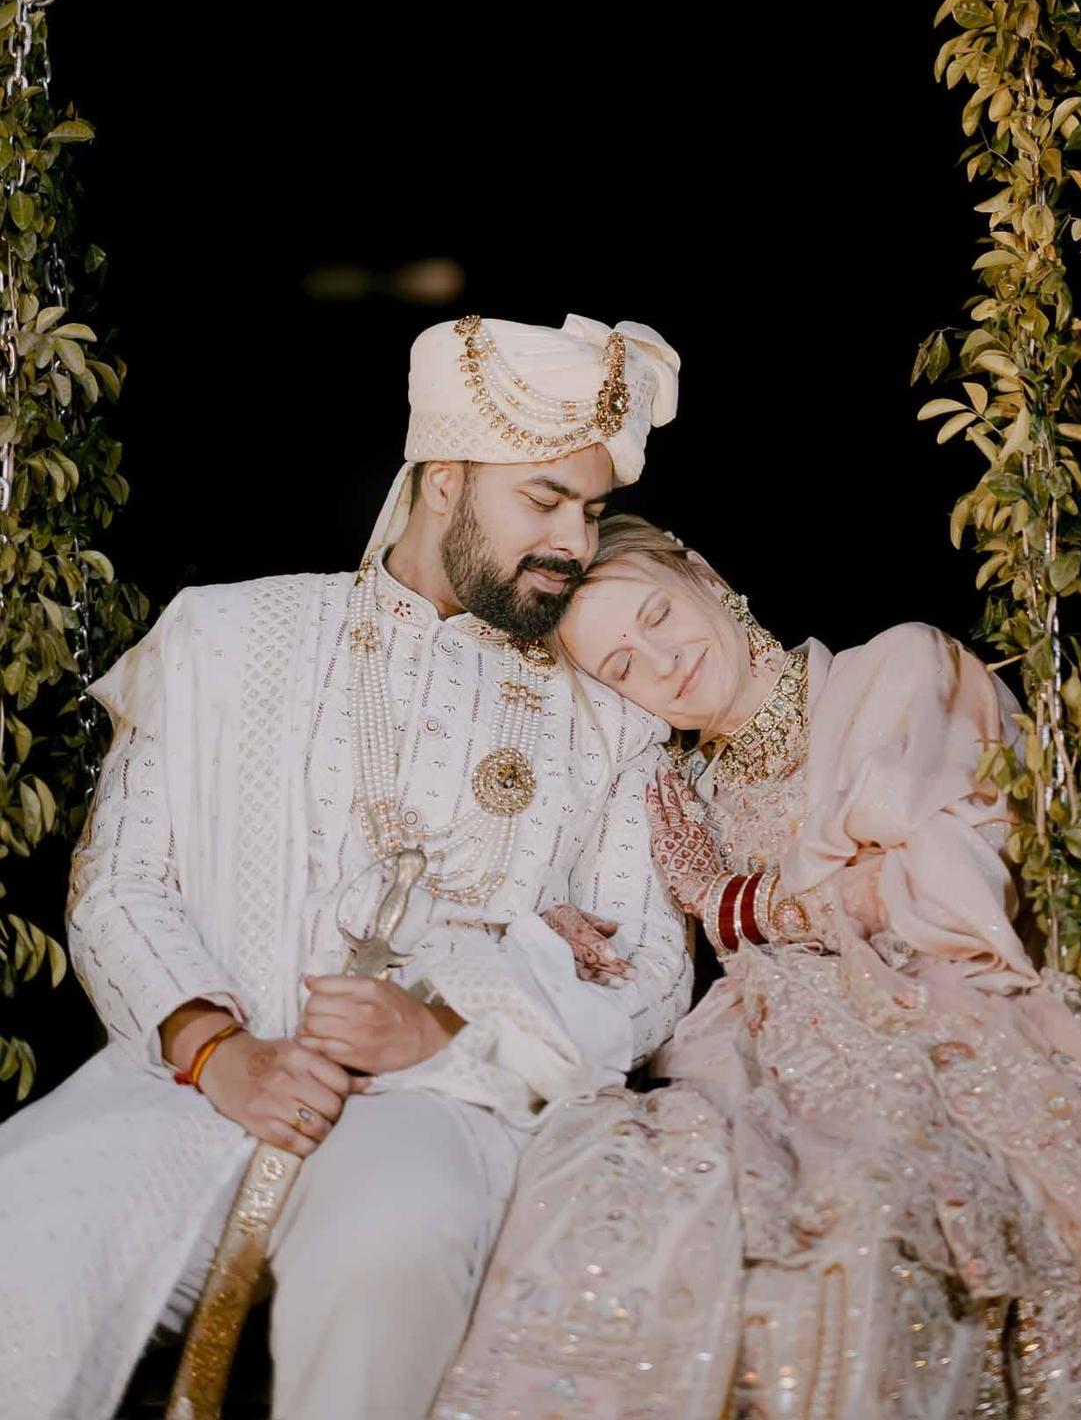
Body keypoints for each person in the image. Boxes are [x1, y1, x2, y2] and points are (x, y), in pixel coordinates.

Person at [0, 318, 692, 1420]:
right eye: (545, 499)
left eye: (592, 511)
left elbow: (651, 968)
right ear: (444, 480)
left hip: (443, 1102)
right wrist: (217, 1050)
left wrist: (444, 1028)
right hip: (195, 1085)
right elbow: (119, 884)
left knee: (389, 1244)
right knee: (19, 1233)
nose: (575, 541)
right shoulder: (224, 638)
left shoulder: (614, 714)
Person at [437, 514, 1081, 1419]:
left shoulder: (900, 670)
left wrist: (738, 902)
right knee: (623, 1214)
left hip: (950, 1026)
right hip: (753, 1076)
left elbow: (954, 888)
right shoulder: (674, 797)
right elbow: (637, 962)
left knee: (870, 1213)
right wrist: (553, 925)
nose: (663, 662)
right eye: (623, 668)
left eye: (657, 616)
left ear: (705, 577)